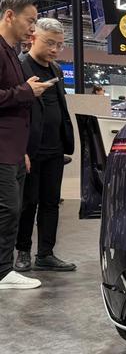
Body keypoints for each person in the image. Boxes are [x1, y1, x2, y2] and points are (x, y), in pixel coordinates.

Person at [0, 0, 54, 290]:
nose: (32, 29)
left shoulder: (10, 52)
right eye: (29, 21)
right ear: (10, 15)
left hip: (13, 148)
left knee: (13, 208)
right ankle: (2, 272)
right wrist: (25, 92)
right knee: (8, 208)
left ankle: (4, 269)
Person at [14, 18, 76, 273]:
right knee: (28, 203)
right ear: (33, 39)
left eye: (59, 45)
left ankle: (46, 254)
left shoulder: (57, 69)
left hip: (55, 148)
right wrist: (20, 149)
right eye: (50, 43)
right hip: (30, 149)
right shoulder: (19, 67)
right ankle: (23, 252)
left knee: (51, 202)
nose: (54, 49)